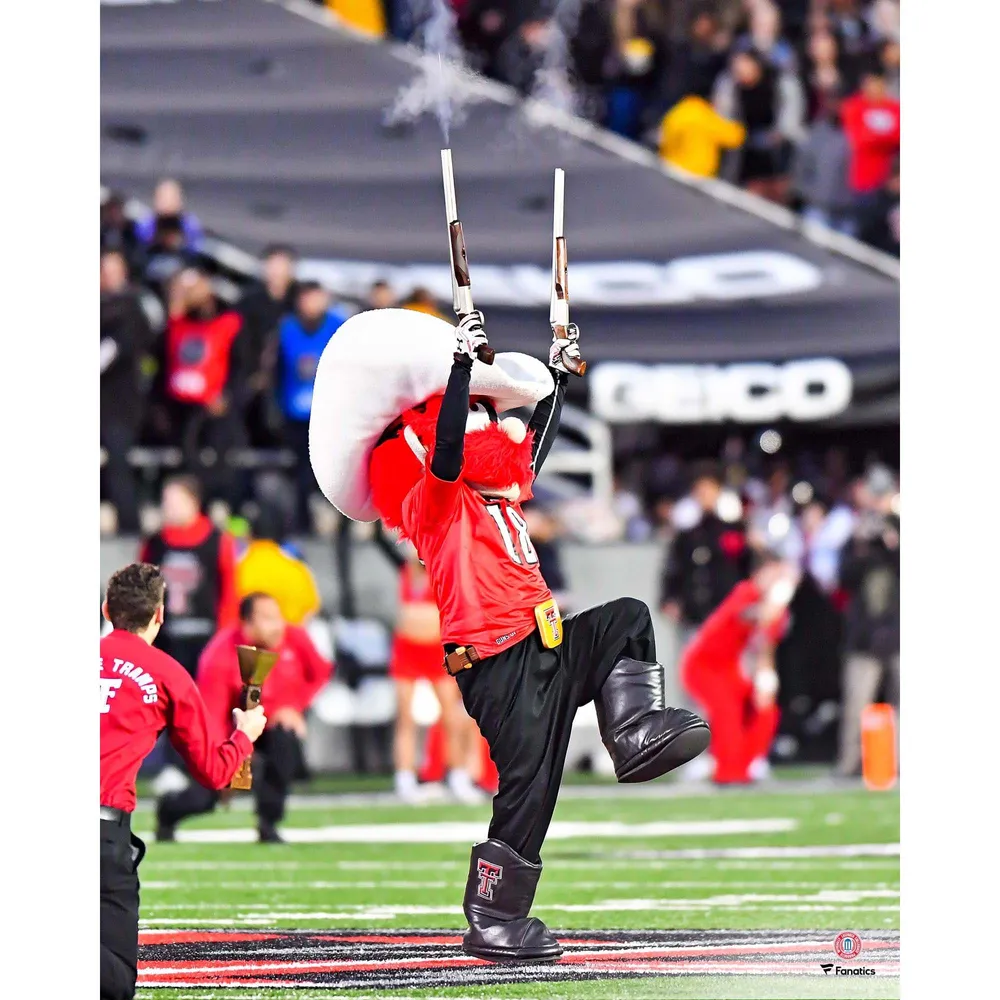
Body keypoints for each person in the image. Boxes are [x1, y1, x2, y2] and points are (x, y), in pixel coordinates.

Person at [310, 306, 708, 962]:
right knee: (531, 787)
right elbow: (441, 458)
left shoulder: (496, 494)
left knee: (628, 620)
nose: (492, 430)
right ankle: (491, 918)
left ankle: (633, 734)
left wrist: (561, 379)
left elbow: (533, 456)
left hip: (544, 643)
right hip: (496, 659)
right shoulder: (432, 504)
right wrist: (461, 368)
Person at [101, 563, 267, 1000]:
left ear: (106, 610)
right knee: (112, 981)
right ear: (159, 615)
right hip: (101, 834)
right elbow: (215, 772)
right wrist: (244, 737)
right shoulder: (167, 673)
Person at [156, 592, 333, 843]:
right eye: (268, 618)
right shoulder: (220, 656)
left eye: (278, 616)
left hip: (268, 725)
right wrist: (224, 763)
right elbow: (212, 717)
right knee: (207, 797)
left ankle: (268, 822)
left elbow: (320, 673)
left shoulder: (295, 638)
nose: (279, 625)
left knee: (285, 741)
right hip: (232, 732)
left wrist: (294, 706)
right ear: (248, 623)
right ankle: (169, 811)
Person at [681, 556, 799, 784]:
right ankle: (728, 773)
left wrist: (765, 678)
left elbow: (766, 644)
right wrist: (774, 603)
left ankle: (751, 762)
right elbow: (750, 615)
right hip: (704, 664)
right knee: (727, 712)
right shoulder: (747, 592)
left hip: (730, 668)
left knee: (766, 709)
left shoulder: (777, 612)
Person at [389, 544, 485, 804]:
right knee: (405, 716)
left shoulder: (445, 572)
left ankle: (457, 776)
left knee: (451, 716)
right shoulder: (406, 571)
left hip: (436, 650)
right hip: (406, 650)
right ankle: (405, 778)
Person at [162, 267, 248, 509]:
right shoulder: (174, 324)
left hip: (217, 408)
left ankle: (223, 509)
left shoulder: (230, 322)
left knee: (223, 463)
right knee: (186, 464)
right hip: (181, 409)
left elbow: (243, 367)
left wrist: (228, 396)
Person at [139, 475, 240, 677]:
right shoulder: (154, 543)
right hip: (166, 639)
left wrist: (225, 637)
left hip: (206, 636)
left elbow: (230, 591)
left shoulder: (218, 541)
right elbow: (142, 592)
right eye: (165, 502)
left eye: (174, 502)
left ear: (193, 502)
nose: (168, 508)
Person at [836, 493, 899, 776]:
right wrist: (862, 543)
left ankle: (900, 762)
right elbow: (843, 577)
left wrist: (895, 534)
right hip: (863, 638)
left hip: (900, 635)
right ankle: (849, 764)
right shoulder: (857, 541)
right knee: (856, 705)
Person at [277, 281, 348, 531]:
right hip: (295, 416)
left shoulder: (338, 326)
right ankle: (302, 523)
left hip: (329, 416)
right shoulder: (287, 328)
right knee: (299, 474)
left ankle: (334, 519)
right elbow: (275, 369)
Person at [660, 461, 751, 647]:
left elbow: (745, 567)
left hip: (726, 613)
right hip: (694, 614)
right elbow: (674, 568)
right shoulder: (687, 534)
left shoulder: (733, 529)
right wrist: (669, 598)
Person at [101, 249, 153, 534]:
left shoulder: (133, 308)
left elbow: (112, 353)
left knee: (120, 466)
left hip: (120, 406)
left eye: (113, 268)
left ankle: (129, 528)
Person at [712, 47, 805, 203]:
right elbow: (723, 115)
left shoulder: (780, 82)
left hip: (777, 154)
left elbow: (790, 121)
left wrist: (779, 134)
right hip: (742, 153)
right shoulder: (731, 84)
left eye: (744, 65)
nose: (739, 71)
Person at [238, 244, 300, 446]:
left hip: (293, 373)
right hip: (255, 372)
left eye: (282, 266)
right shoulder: (249, 301)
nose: (276, 272)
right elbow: (242, 340)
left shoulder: (300, 301)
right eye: (272, 266)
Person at [236, 505, 322, 626]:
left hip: (248, 642)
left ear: (249, 534)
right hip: (290, 640)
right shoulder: (297, 568)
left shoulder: (237, 567)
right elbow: (312, 609)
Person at [841, 65, 900, 224]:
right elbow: (858, 140)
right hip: (860, 180)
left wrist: (874, 136)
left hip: (888, 180)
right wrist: (885, 138)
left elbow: (898, 136)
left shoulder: (894, 108)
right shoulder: (853, 106)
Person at [793, 89, 855, 235]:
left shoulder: (856, 133)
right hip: (817, 205)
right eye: (834, 103)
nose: (838, 108)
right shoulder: (817, 132)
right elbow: (803, 164)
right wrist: (803, 192)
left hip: (849, 212)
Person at [658, 88, 746, 178]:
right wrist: (731, 116)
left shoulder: (682, 109)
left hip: (668, 163)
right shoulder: (708, 118)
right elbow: (736, 137)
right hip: (696, 173)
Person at [135, 178, 204, 252]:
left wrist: (180, 242)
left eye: (171, 198)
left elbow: (197, 248)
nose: (167, 203)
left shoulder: (190, 225)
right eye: (163, 198)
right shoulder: (145, 225)